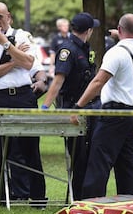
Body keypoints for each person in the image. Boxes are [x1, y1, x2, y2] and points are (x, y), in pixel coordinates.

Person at [0, 1, 48, 206]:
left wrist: (6, 44)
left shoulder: (23, 36)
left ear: (9, 17)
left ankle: (38, 197)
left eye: (0, 17)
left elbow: (29, 64)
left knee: (30, 148)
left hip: (23, 97)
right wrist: (14, 61)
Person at [70, 13, 133, 199]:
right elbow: (128, 39)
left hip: (113, 114)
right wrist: (119, 36)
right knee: (127, 163)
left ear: (119, 30)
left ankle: (91, 202)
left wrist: (78, 106)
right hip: (132, 114)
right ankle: (129, 201)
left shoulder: (115, 53)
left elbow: (99, 81)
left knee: (99, 160)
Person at [41, 12, 100, 201]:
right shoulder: (68, 50)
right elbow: (57, 82)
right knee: (79, 158)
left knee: (91, 156)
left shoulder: (84, 48)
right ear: (88, 31)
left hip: (90, 108)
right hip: (73, 111)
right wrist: (44, 107)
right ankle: (79, 199)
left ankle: (90, 197)